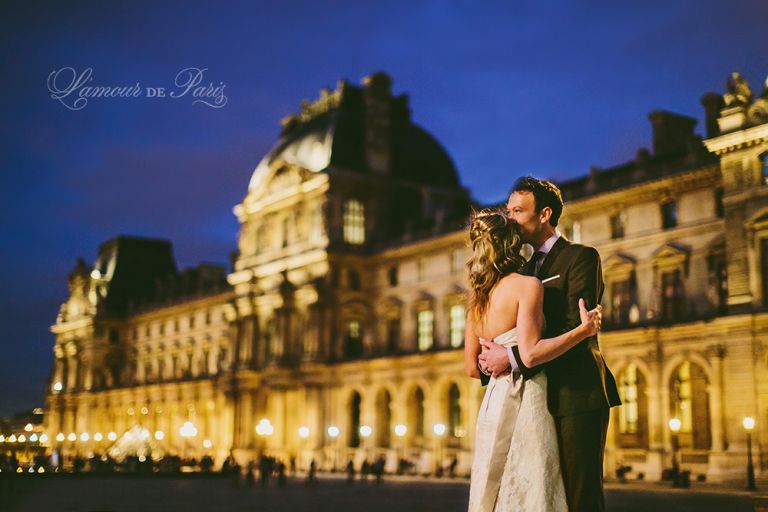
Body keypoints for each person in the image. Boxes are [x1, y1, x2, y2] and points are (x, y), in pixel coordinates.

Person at [476, 176, 622, 512]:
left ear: (544, 214)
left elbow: (577, 326)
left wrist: (510, 357)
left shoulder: (581, 257)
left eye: (517, 210)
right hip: (532, 400)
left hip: (576, 392)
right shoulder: (520, 270)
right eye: (508, 210)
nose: (509, 218)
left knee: (580, 495)